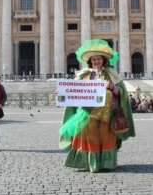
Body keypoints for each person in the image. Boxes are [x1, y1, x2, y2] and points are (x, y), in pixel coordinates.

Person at [58, 39, 135, 172]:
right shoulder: (84, 74)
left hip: (107, 112)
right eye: (94, 60)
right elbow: (73, 90)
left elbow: (121, 91)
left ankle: (106, 163)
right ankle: (88, 163)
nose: (96, 62)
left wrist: (112, 87)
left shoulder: (111, 74)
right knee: (88, 138)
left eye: (98, 59)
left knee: (105, 138)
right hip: (87, 113)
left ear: (103, 60)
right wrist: (61, 92)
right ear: (90, 61)